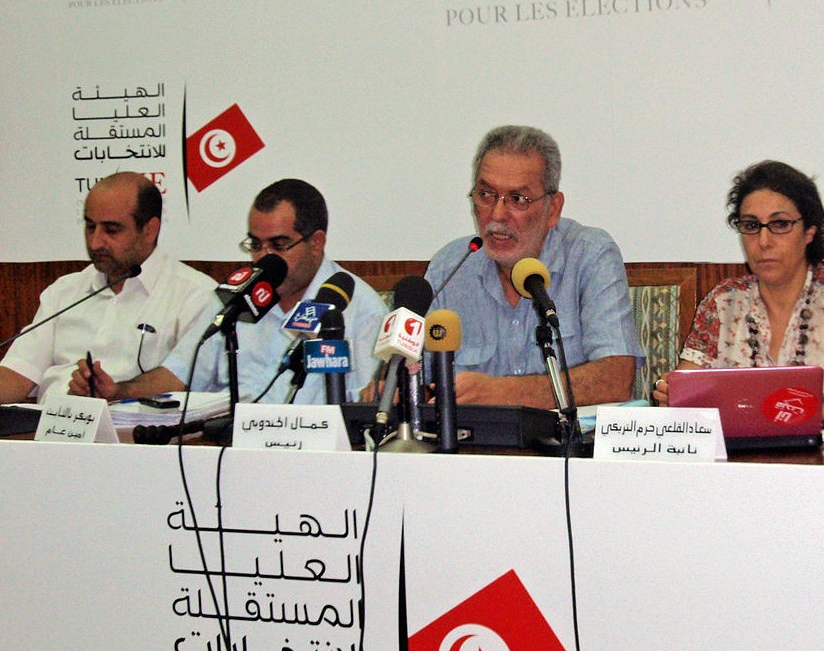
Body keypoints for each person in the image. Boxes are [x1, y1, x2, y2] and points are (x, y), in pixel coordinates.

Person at [69, 179, 387, 404]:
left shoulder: (360, 308)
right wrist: (116, 391)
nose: (264, 258)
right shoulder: (237, 296)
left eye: (278, 245)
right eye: (255, 245)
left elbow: (367, 405)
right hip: (228, 452)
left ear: (316, 242)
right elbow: (179, 374)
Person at [425, 125, 643, 409]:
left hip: (566, 449)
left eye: (517, 199)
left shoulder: (590, 254)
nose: (497, 214)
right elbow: (419, 373)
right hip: (472, 448)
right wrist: (396, 389)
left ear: (553, 209)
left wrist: (502, 393)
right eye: (486, 195)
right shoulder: (450, 266)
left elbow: (615, 380)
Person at [0, 172, 215, 404]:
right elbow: (16, 375)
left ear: (149, 230)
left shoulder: (196, 295)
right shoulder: (64, 291)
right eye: (90, 227)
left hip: (136, 433)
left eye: (111, 230)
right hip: (51, 430)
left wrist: (115, 391)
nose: (95, 243)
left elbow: (184, 379)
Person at [653, 160, 824, 404]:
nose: (764, 241)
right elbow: (686, 391)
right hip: (734, 442)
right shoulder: (724, 302)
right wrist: (672, 393)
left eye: (780, 224)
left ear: (809, 231)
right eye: (751, 225)